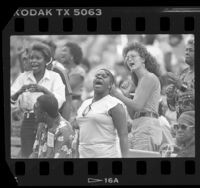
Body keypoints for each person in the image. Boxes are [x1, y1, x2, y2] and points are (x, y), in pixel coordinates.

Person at [11, 42, 66, 158]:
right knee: (27, 155)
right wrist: (19, 92)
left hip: (49, 122)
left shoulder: (55, 77)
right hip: (28, 121)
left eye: (37, 58)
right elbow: (11, 100)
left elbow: (59, 101)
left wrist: (43, 89)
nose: (33, 61)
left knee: (47, 154)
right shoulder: (23, 77)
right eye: (31, 58)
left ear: (46, 60)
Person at [111, 42, 163, 152]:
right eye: (127, 57)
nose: (129, 60)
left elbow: (138, 106)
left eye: (133, 56)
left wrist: (116, 94)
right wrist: (126, 96)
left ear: (143, 59)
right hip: (140, 125)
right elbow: (134, 114)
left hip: (147, 126)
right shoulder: (141, 80)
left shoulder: (148, 77)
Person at [75, 69, 128, 158]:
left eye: (104, 76)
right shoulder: (85, 103)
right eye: (97, 75)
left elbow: (123, 136)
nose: (99, 77)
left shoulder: (115, 105)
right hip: (84, 155)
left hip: (106, 156)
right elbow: (80, 132)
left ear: (110, 85)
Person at [54, 42, 86, 121]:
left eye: (65, 51)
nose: (62, 53)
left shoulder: (79, 71)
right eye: (61, 50)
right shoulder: (59, 68)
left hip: (73, 106)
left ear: (72, 56)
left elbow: (67, 87)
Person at [166, 39, 195, 118]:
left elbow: (183, 88)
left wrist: (182, 87)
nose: (186, 52)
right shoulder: (183, 74)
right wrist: (170, 96)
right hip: (181, 125)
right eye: (186, 50)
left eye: (191, 50)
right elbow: (173, 107)